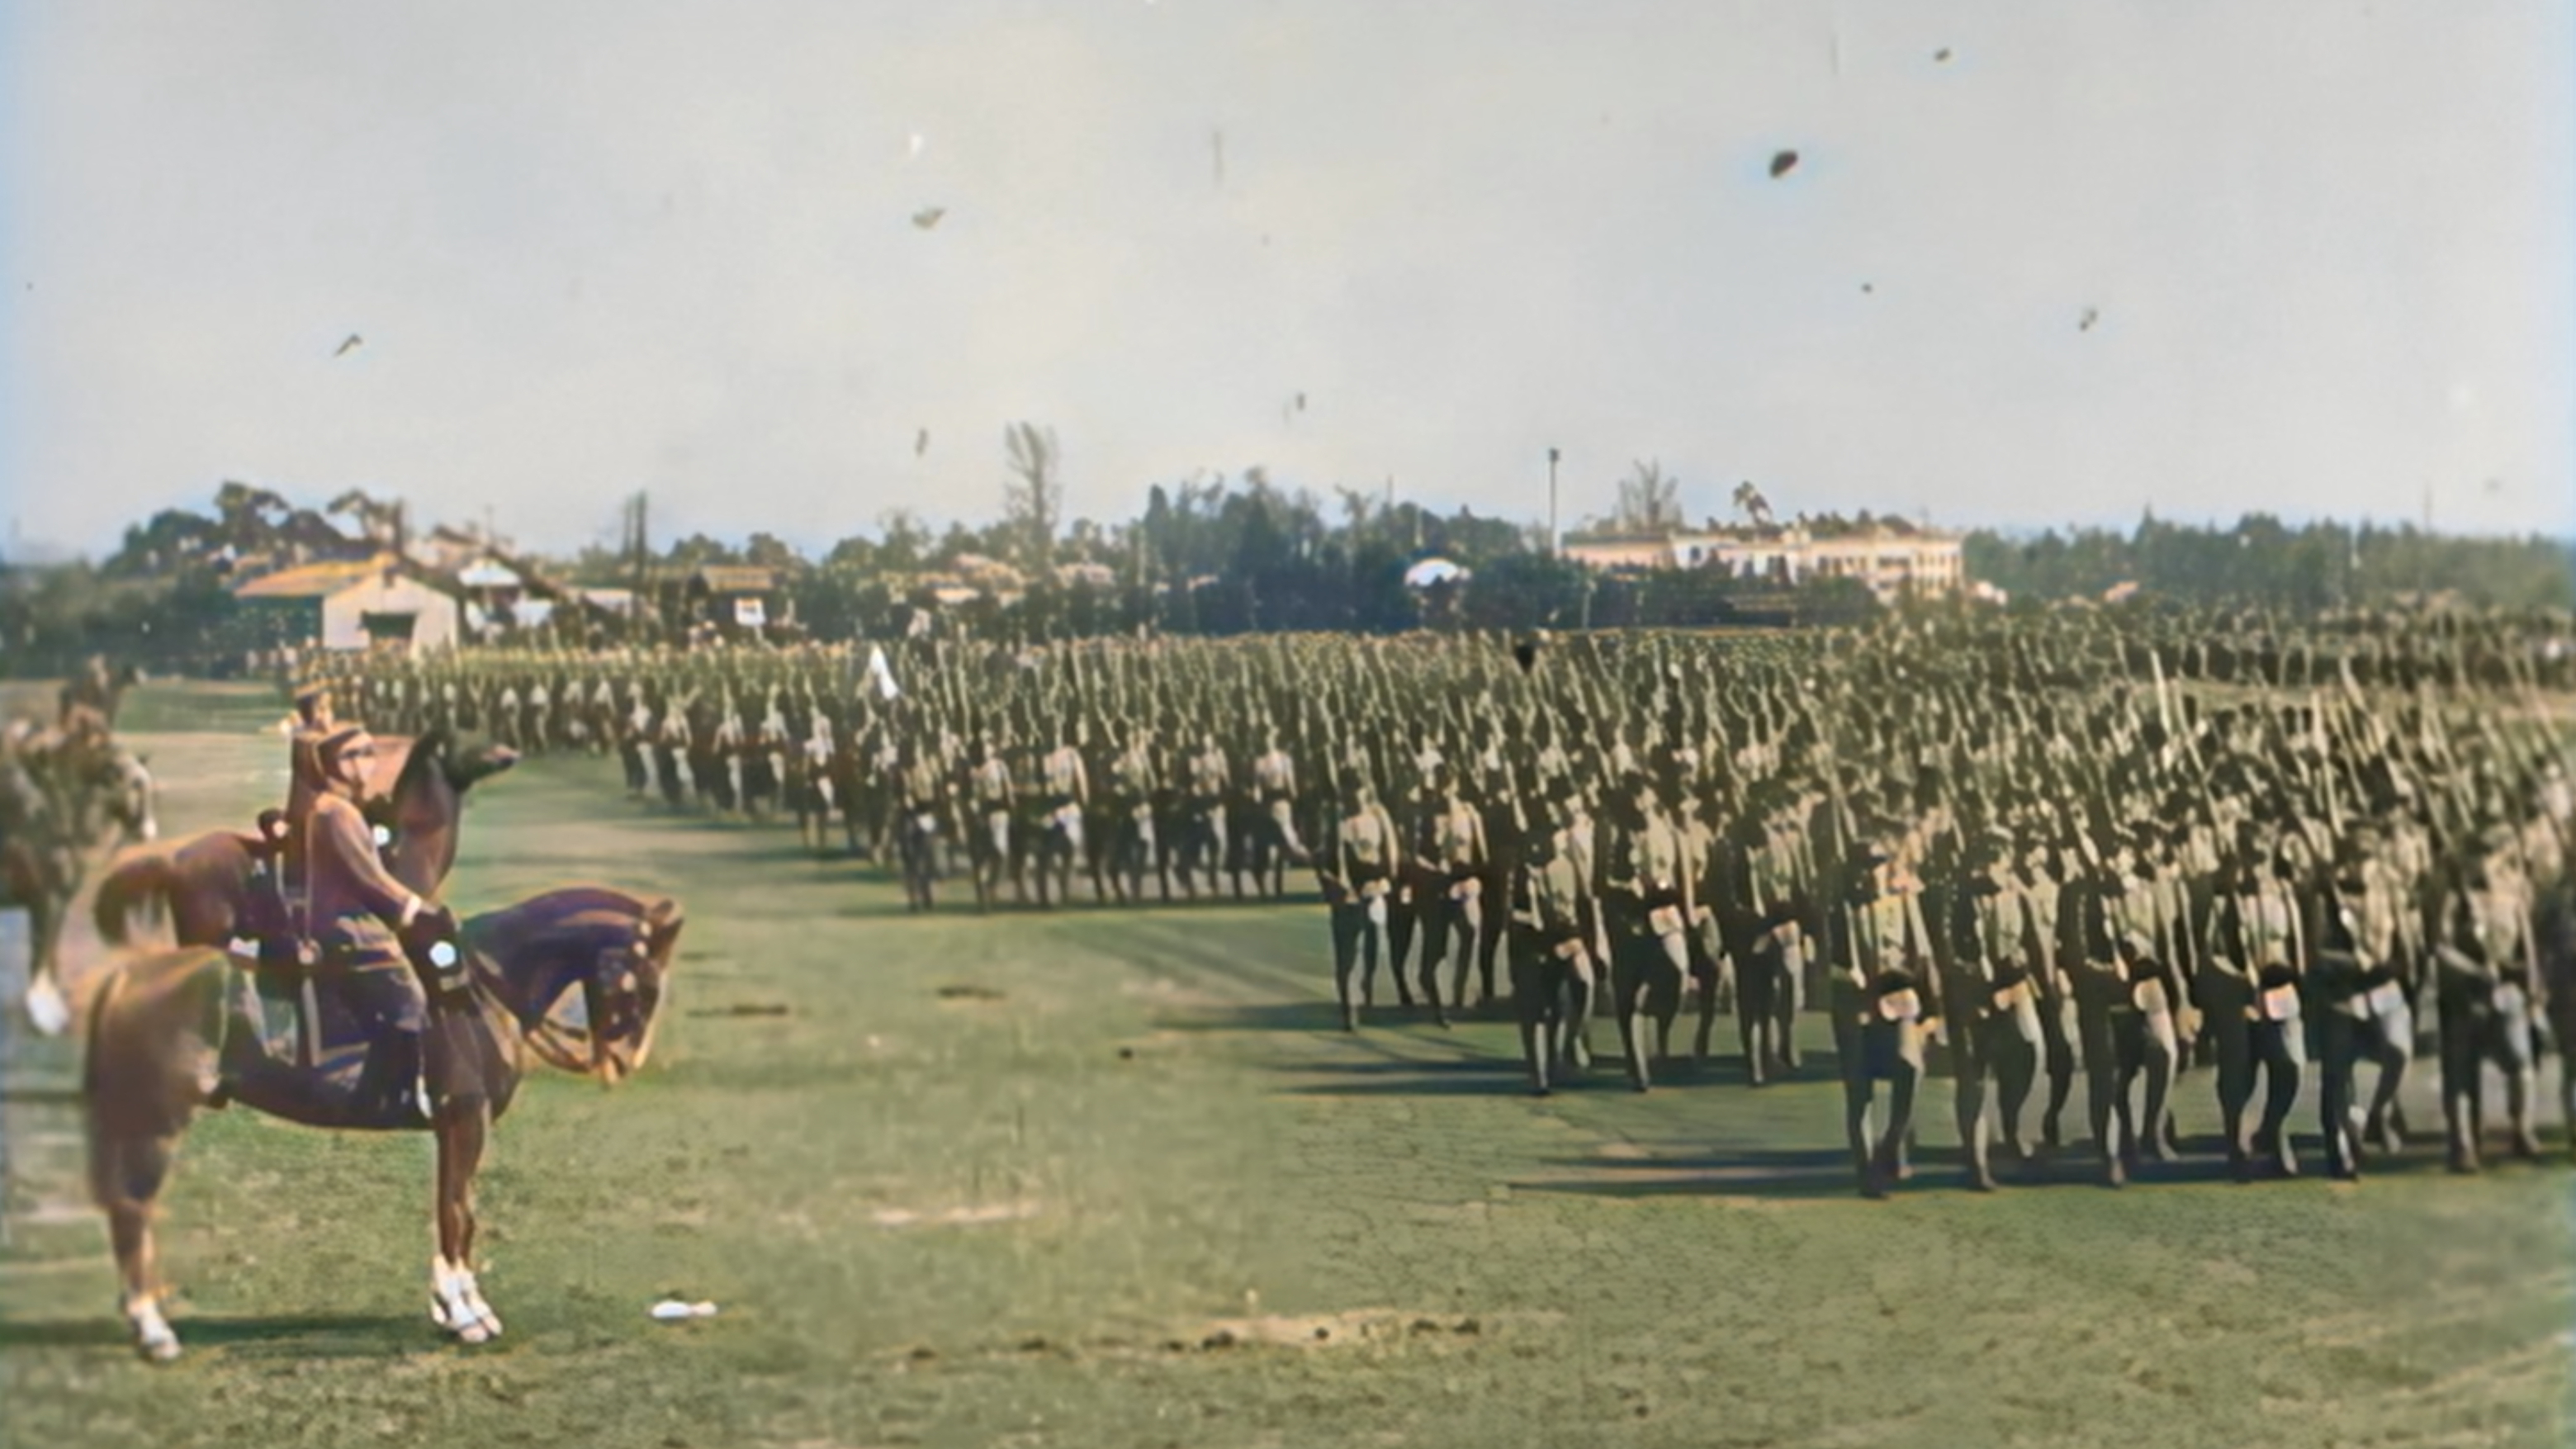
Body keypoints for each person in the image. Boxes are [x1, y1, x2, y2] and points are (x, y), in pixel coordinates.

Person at [303, 724, 458, 1122]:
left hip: (354, 917)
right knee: (408, 995)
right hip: (344, 924)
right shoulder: (332, 813)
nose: (362, 765)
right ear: (328, 765)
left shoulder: (346, 808)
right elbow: (367, 879)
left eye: (367, 754)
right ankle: (403, 1094)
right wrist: (417, 910)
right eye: (350, 757)